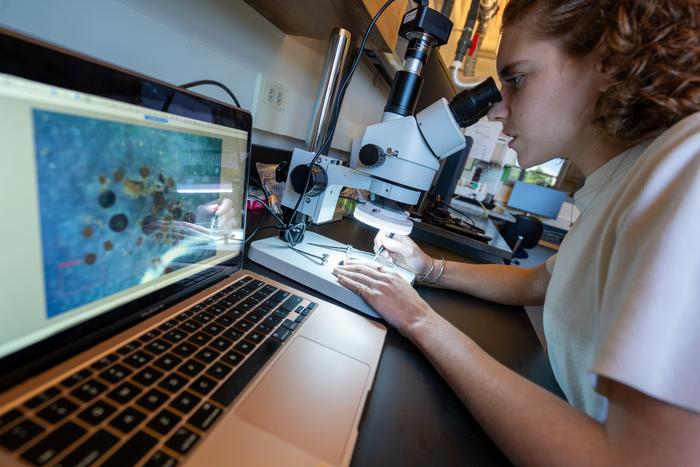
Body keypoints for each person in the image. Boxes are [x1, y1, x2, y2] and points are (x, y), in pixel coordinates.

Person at [333, 0, 700, 464]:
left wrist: (421, 321)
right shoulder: (624, 179)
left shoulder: (688, 170)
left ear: (610, 60)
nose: (495, 111)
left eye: (516, 79)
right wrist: (428, 270)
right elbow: (541, 281)